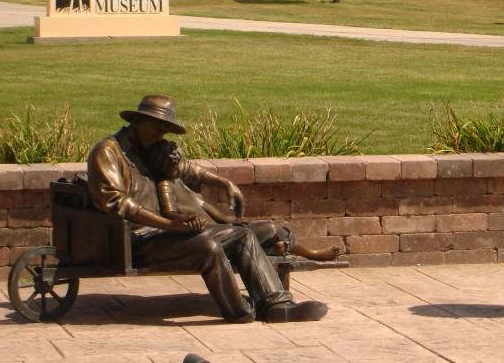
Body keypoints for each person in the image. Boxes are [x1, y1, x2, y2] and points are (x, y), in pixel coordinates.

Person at [87, 94, 328, 323]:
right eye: (156, 127)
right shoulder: (108, 152)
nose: (160, 135)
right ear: (137, 120)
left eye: (165, 131)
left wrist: (226, 183)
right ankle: (240, 312)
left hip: (168, 233)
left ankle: (277, 306)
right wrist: (170, 224)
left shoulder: (149, 147)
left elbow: (186, 169)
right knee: (208, 247)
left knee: (244, 235)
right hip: (138, 239)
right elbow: (117, 203)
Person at [145, 138, 340, 261]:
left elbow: (206, 206)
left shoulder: (178, 180)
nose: (182, 167)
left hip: (221, 228)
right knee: (270, 229)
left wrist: (229, 220)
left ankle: (274, 249)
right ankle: (309, 254)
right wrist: (182, 220)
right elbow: (169, 213)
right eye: (176, 165)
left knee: (263, 228)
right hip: (211, 235)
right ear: (165, 166)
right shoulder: (165, 185)